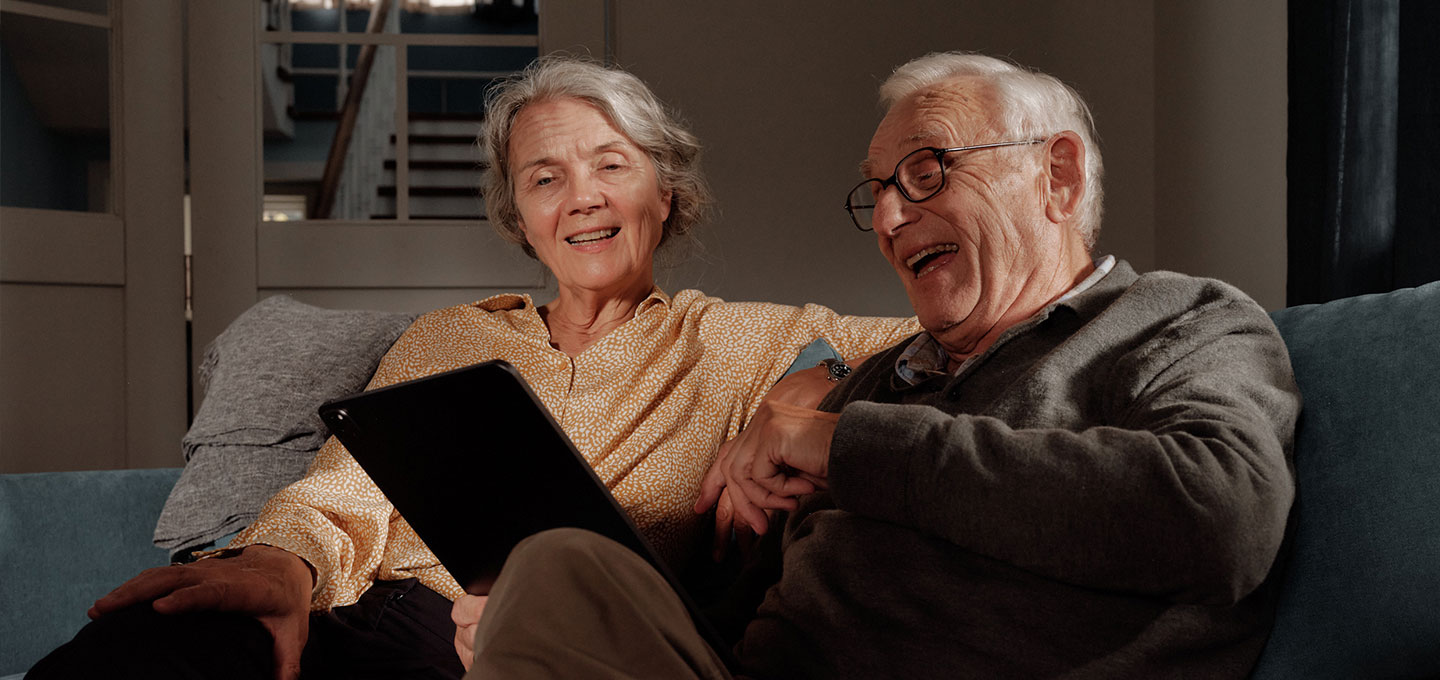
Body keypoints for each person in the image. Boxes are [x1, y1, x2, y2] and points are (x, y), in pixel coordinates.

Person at [27, 56, 917, 680]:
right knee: (143, 642)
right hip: (351, 609)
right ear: (518, 216)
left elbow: (948, 335)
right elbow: (347, 493)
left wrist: (809, 381)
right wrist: (279, 567)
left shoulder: (736, 339)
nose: (584, 199)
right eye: (545, 179)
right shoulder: (452, 334)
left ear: (665, 191)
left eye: (613, 165)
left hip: (529, 641)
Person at [452, 52, 1302, 680]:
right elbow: (729, 606)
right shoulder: (885, 374)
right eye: (879, 189)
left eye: (927, 171)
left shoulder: (1179, 321)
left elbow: (1220, 515)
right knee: (557, 565)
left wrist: (841, 443)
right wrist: (547, 616)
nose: (891, 215)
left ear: (1059, 174)